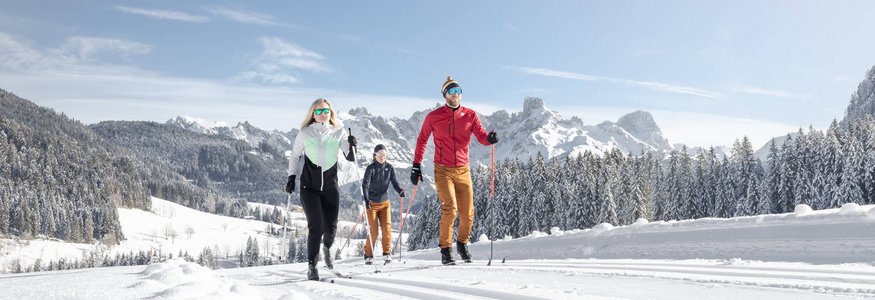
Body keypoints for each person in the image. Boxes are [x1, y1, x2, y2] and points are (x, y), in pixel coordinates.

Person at [410, 76, 498, 265]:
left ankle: (462, 243)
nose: (456, 95)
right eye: (451, 91)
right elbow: (422, 139)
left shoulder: (470, 115)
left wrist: (489, 139)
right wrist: (416, 165)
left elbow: (481, 136)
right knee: (450, 208)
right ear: (445, 95)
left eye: (458, 91)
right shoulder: (434, 116)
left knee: (468, 212)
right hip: (442, 169)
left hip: (463, 169)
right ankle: (445, 250)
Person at [285, 98, 357, 280]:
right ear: (313, 114)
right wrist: (291, 178)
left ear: (331, 113)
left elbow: (350, 158)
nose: (322, 114)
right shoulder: (305, 133)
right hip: (309, 187)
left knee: (331, 228)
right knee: (316, 226)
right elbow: (295, 156)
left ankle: (327, 249)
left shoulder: (338, 132)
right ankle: (312, 266)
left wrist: (352, 145)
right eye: (318, 111)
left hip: (331, 188)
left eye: (326, 111)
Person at [361, 144, 405, 265]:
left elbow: (394, 182)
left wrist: (399, 190)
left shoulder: (389, 168)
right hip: (372, 204)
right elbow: (365, 185)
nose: (382, 157)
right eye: (380, 155)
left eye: (384, 155)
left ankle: (387, 253)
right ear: (375, 156)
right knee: (373, 231)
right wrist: (366, 199)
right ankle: (368, 255)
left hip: (385, 203)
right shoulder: (371, 168)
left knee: (387, 229)